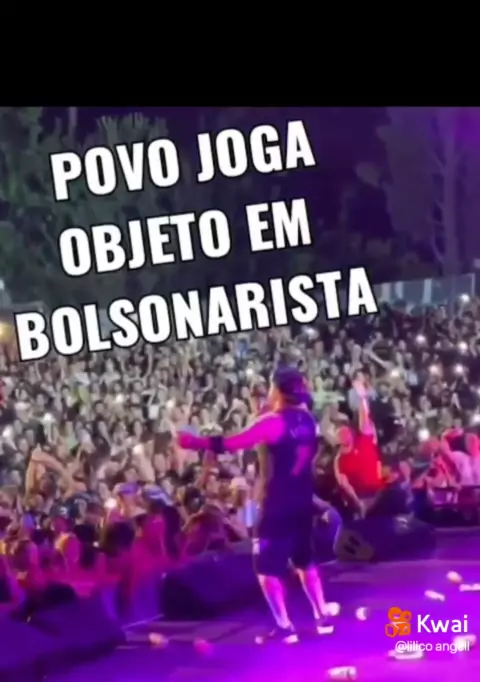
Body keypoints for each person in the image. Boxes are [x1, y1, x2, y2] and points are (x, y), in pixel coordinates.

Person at [178, 367, 332, 644]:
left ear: (277, 389)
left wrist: (194, 442)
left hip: (277, 505)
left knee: (266, 570)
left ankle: (284, 626)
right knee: (304, 561)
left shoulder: (273, 422)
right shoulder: (307, 419)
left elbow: (233, 443)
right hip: (301, 499)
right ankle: (322, 615)